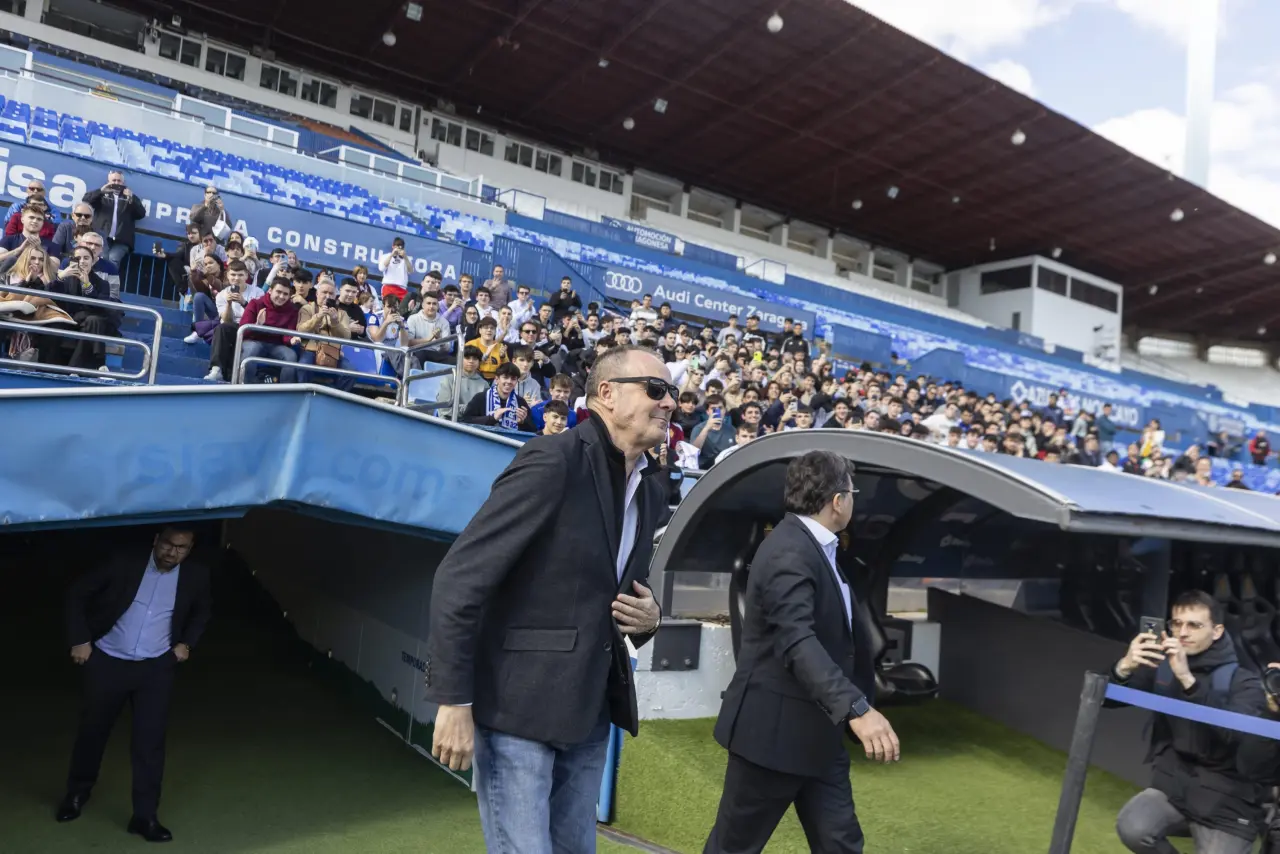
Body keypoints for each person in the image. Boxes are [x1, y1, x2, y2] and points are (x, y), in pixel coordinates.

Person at [424, 344, 676, 854]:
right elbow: (460, 578)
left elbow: (624, 591)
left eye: (671, 392)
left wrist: (650, 617)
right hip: (517, 713)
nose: (669, 402)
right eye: (656, 389)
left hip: (589, 713)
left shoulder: (652, 487)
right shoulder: (552, 460)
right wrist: (454, 699)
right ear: (607, 393)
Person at [703, 450, 899, 854]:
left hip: (820, 739)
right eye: (852, 493)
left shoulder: (815, 548)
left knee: (842, 844)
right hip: (772, 740)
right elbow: (797, 642)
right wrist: (857, 709)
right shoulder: (790, 551)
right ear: (838, 501)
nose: (853, 501)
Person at [57, 526, 210, 843]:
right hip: (108, 662)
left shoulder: (196, 576)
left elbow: (203, 610)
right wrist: (80, 640)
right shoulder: (122, 563)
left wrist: (187, 643)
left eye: (181, 547)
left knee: (149, 744)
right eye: (168, 544)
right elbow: (77, 593)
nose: (172, 552)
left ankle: (145, 817)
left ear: (190, 549)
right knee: (93, 732)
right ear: (156, 540)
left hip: (155, 669)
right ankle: (76, 794)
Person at [1109, 590, 1267, 854]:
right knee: (1133, 826)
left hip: (1228, 802)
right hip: (1175, 789)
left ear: (1216, 631)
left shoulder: (1245, 681)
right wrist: (1123, 667)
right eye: (1177, 624)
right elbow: (1104, 700)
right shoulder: (1163, 667)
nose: (1183, 633)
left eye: (1194, 625)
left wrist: (1188, 680)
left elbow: (1237, 736)